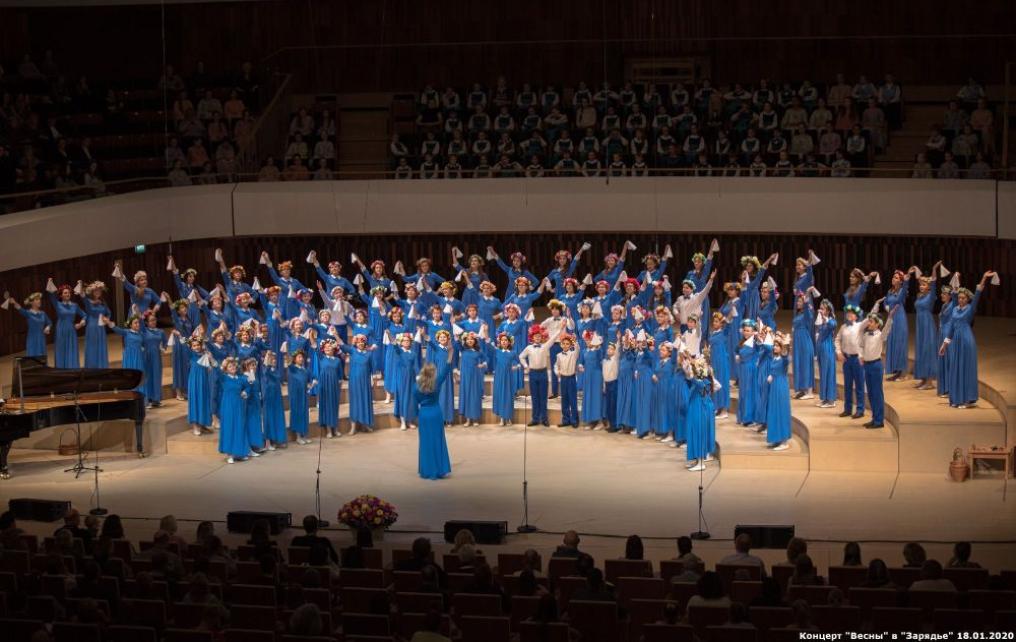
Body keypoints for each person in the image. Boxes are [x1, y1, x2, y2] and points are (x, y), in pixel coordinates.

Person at [940, 271, 997, 408]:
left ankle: (967, 399)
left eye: (963, 298)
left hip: (966, 341)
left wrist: (983, 278)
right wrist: (944, 344)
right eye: (959, 298)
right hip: (956, 342)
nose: (960, 300)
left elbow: (977, 294)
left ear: (968, 300)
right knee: (956, 368)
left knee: (965, 369)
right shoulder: (954, 310)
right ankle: (956, 398)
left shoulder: (970, 309)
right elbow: (951, 328)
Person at [416, 345, 454, 480]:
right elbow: (447, 367)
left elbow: (415, 403)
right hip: (436, 413)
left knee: (425, 442)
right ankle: (439, 470)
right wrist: (450, 353)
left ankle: (427, 470)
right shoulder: (437, 382)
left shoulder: (417, 387)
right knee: (438, 440)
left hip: (424, 415)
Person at [859, 309, 894, 428]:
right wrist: (861, 356)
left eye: (871, 322)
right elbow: (861, 346)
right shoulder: (865, 335)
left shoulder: (880, 335)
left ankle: (879, 420)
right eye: (869, 322)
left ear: (877, 324)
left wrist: (890, 317)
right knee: (870, 393)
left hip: (876, 365)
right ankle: (874, 417)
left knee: (877, 393)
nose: (869, 324)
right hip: (867, 366)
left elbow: (886, 329)